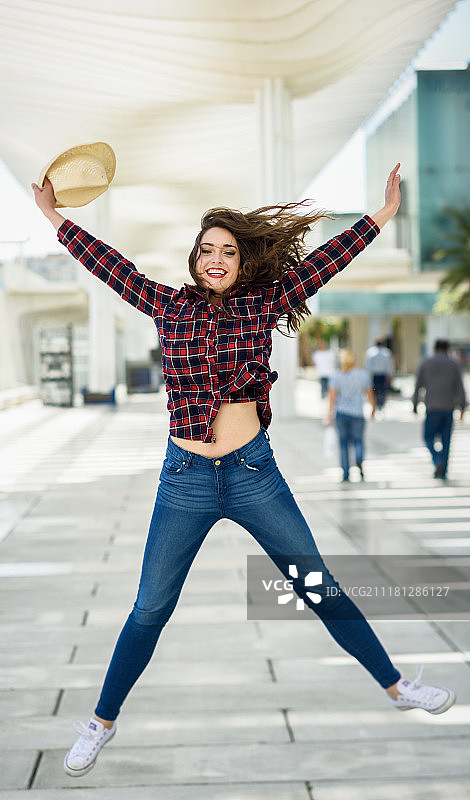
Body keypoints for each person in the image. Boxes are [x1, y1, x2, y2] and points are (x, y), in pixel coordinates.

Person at [31, 163, 455, 779]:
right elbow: (109, 262)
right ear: (194, 259)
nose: (218, 259)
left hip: (255, 473)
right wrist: (52, 216)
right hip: (186, 479)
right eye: (208, 250)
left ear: (240, 261)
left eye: (228, 251)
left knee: (317, 587)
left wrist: (383, 214)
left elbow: (326, 262)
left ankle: (396, 686)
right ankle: (100, 722)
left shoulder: (264, 304)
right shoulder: (167, 306)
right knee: (150, 607)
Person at [412, 339, 466, 479]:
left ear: (434, 348)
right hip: (448, 407)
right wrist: (463, 406)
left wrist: (415, 404)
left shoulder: (426, 363)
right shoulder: (454, 364)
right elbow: (460, 387)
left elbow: (418, 385)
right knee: (446, 440)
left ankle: (437, 460)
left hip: (432, 407)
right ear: (447, 349)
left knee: (428, 437)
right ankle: (443, 472)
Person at [327, 350, 374, 482]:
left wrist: (329, 414)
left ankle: (346, 474)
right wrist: (373, 408)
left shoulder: (336, 376)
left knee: (343, 444)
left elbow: (332, 397)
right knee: (358, 440)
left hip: (341, 414)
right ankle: (359, 459)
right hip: (358, 413)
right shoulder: (363, 375)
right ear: (354, 361)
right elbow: (369, 393)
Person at [365, 336, 394, 411]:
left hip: (374, 375)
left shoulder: (371, 352)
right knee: (382, 390)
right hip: (382, 375)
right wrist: (390, 375)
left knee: (375, 390)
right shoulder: (386, 352)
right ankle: (380, 405)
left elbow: (368, 365)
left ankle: (376, 405)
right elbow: (389, 365)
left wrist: (368, 375)